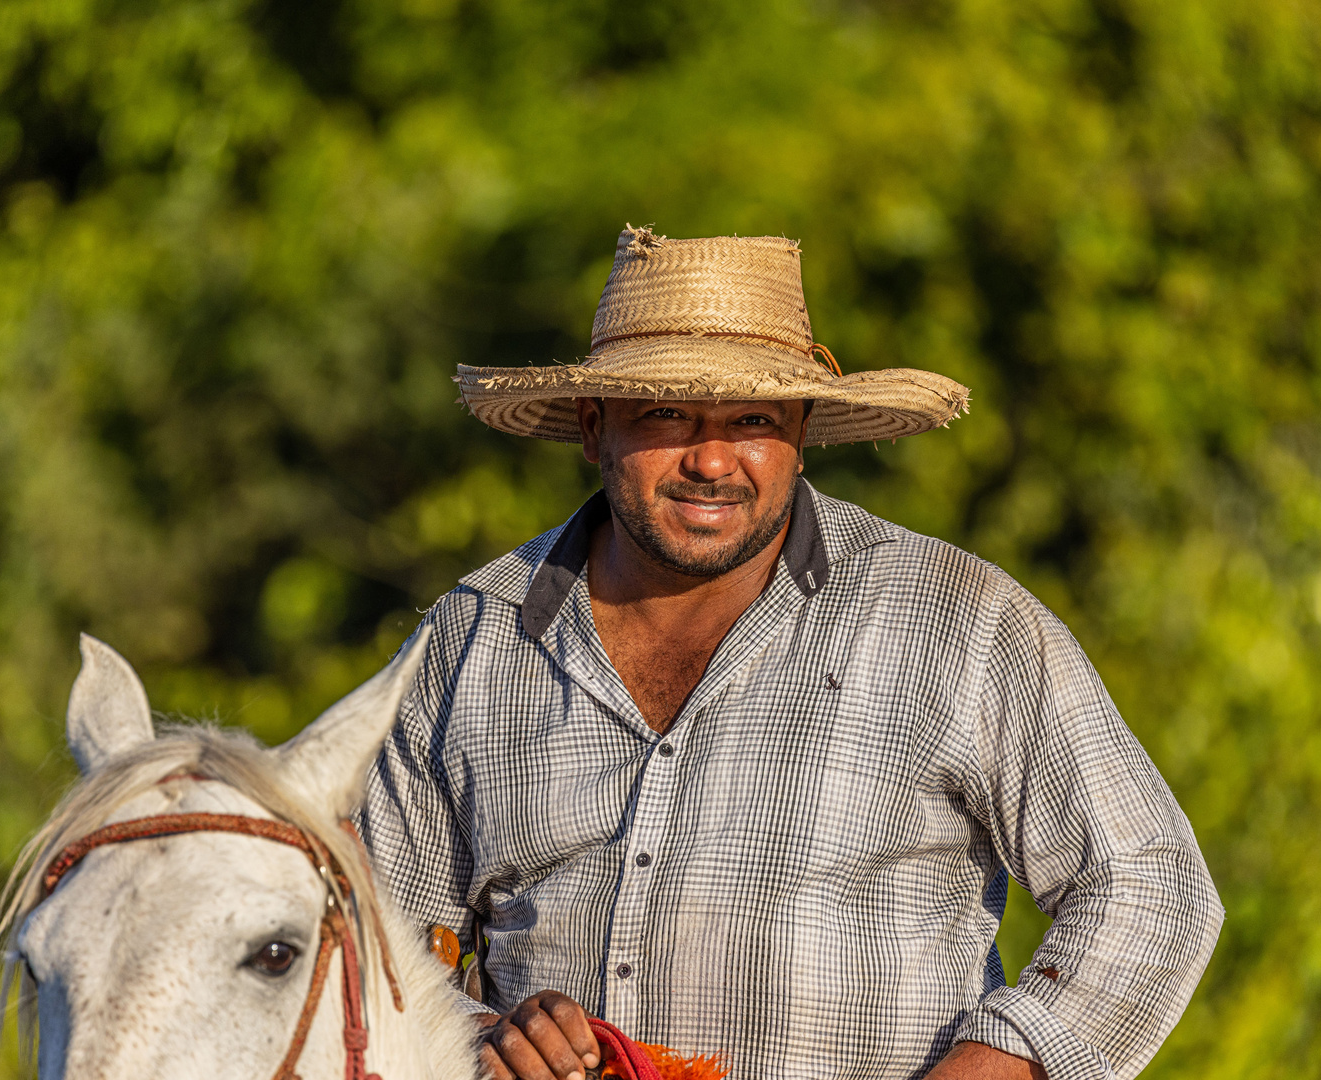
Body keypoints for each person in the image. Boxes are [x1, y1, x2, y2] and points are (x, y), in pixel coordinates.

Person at [358, 227, 1223, 1080]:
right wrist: (483, 1036)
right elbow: (377, 946)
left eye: (753, 419)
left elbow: (1150, 888)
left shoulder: (958, 623)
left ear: (800, 431)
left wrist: (996, 1061)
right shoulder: (469, 640)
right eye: (664, 413)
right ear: (593, 427)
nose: (710, 458)